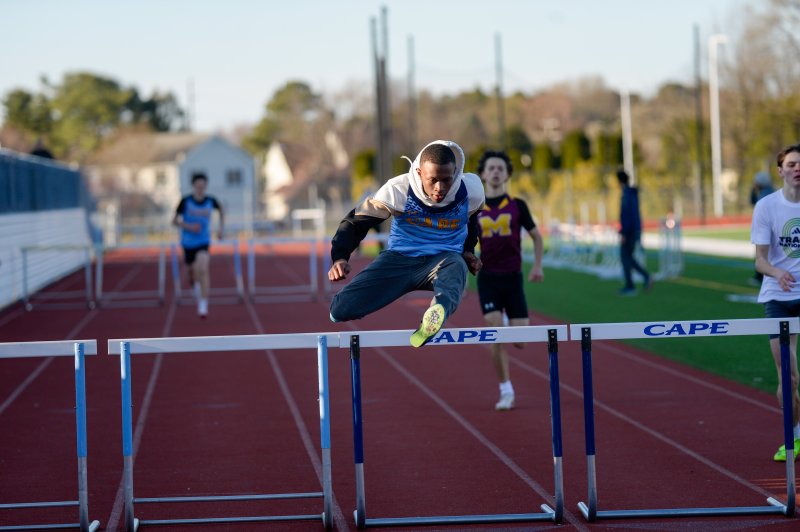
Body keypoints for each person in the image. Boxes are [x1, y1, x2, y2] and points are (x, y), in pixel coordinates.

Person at [328, 140, 485, 347]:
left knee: (456, 265)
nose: (440, 188)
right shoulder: (399, 190)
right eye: (433, 180)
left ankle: (435, 316)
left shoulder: (470, 191)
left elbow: (471, 221)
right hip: (399, 261)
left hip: (443, 260)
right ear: (419, 173)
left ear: (455, 172)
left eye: (446, 180)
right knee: (339, 311)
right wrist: (340, 256)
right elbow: (356, 222)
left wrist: (467, 251)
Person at [475, 150, 544, 410]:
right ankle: (506, 390)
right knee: (495, 335)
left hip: (513, 279)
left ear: (507, 174)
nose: (495, 172)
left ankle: (505, 322)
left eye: (500, 168)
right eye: (490, 168)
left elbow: (537, 237)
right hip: (488, 279)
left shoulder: (518, 206)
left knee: (520, 341)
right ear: (482, 174)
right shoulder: (475, 209)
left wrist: (538, 266)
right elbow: (463, 243)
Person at [751, 143, 800, 462]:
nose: (798, 169)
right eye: (792, 165)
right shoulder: (766, 206)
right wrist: (776, 272)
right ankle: (794, 437)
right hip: (778, 299)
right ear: (780, 171)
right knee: (789, 376)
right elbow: (759, 261)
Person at [172, 172, 224, 318]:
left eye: (203, 185)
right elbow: (174, 221)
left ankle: (203, 304)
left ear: (205, 186)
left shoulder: (211, 201)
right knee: (191, 272)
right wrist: (188, 226)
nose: (200, 188)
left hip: (203, 241)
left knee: (202, 269)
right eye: (198, 185)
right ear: (194, 186)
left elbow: (221, 211)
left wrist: (220, 229)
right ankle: (194, 284)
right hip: (188, 243)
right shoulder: (185, 201)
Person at [616, 169, 652, 295]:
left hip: (629, 231)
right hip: (634, 230)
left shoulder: (627, 194)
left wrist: (624, 233)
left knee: (625, 258)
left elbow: (627, 216)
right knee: (628, 258)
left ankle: (631, 285)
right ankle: (645, 277)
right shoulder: (632, 193)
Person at [749, 171, 776, 285]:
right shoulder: (771, 191)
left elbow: (754, 204)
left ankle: (760, 277)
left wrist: (752, 190)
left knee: (761, 253)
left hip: (766, 227)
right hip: (771, 227)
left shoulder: (765, 194)